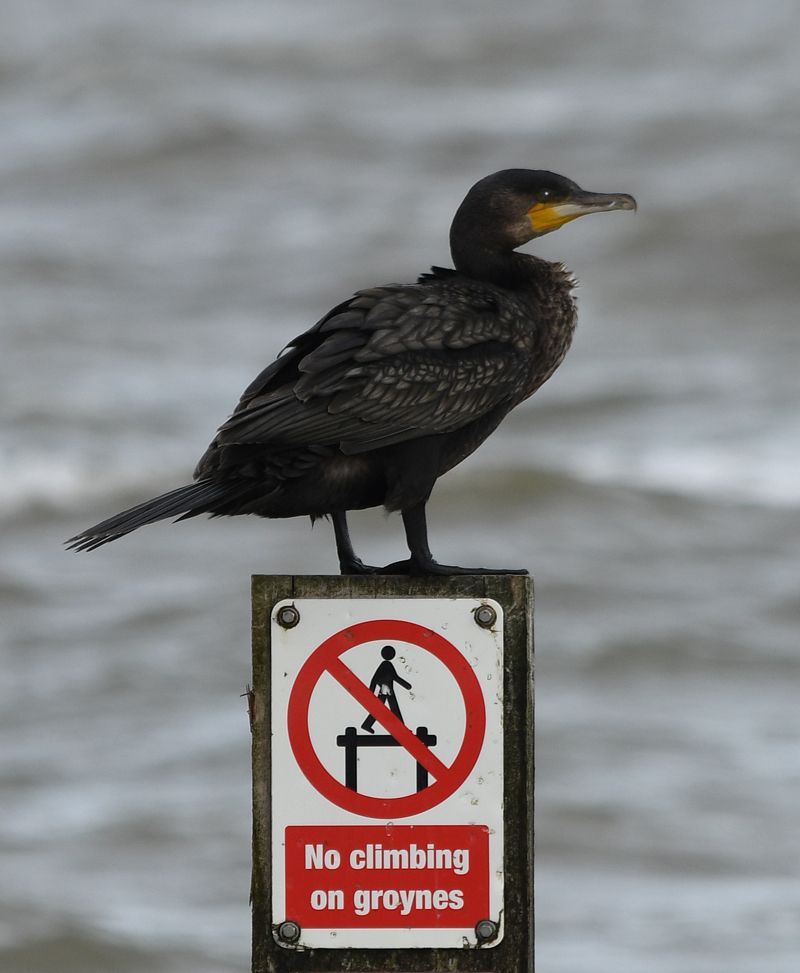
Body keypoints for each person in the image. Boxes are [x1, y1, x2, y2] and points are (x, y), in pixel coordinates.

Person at [361, 645, 411, 733]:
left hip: (386, 690)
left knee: (388, 708)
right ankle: (400, 728)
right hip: (386, 690)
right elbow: (394, 677)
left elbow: (375, 679)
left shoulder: (386, 665)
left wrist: (371, 691)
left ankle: (367, 724)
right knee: (393, 708)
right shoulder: (386, 665)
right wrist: (406, 685)